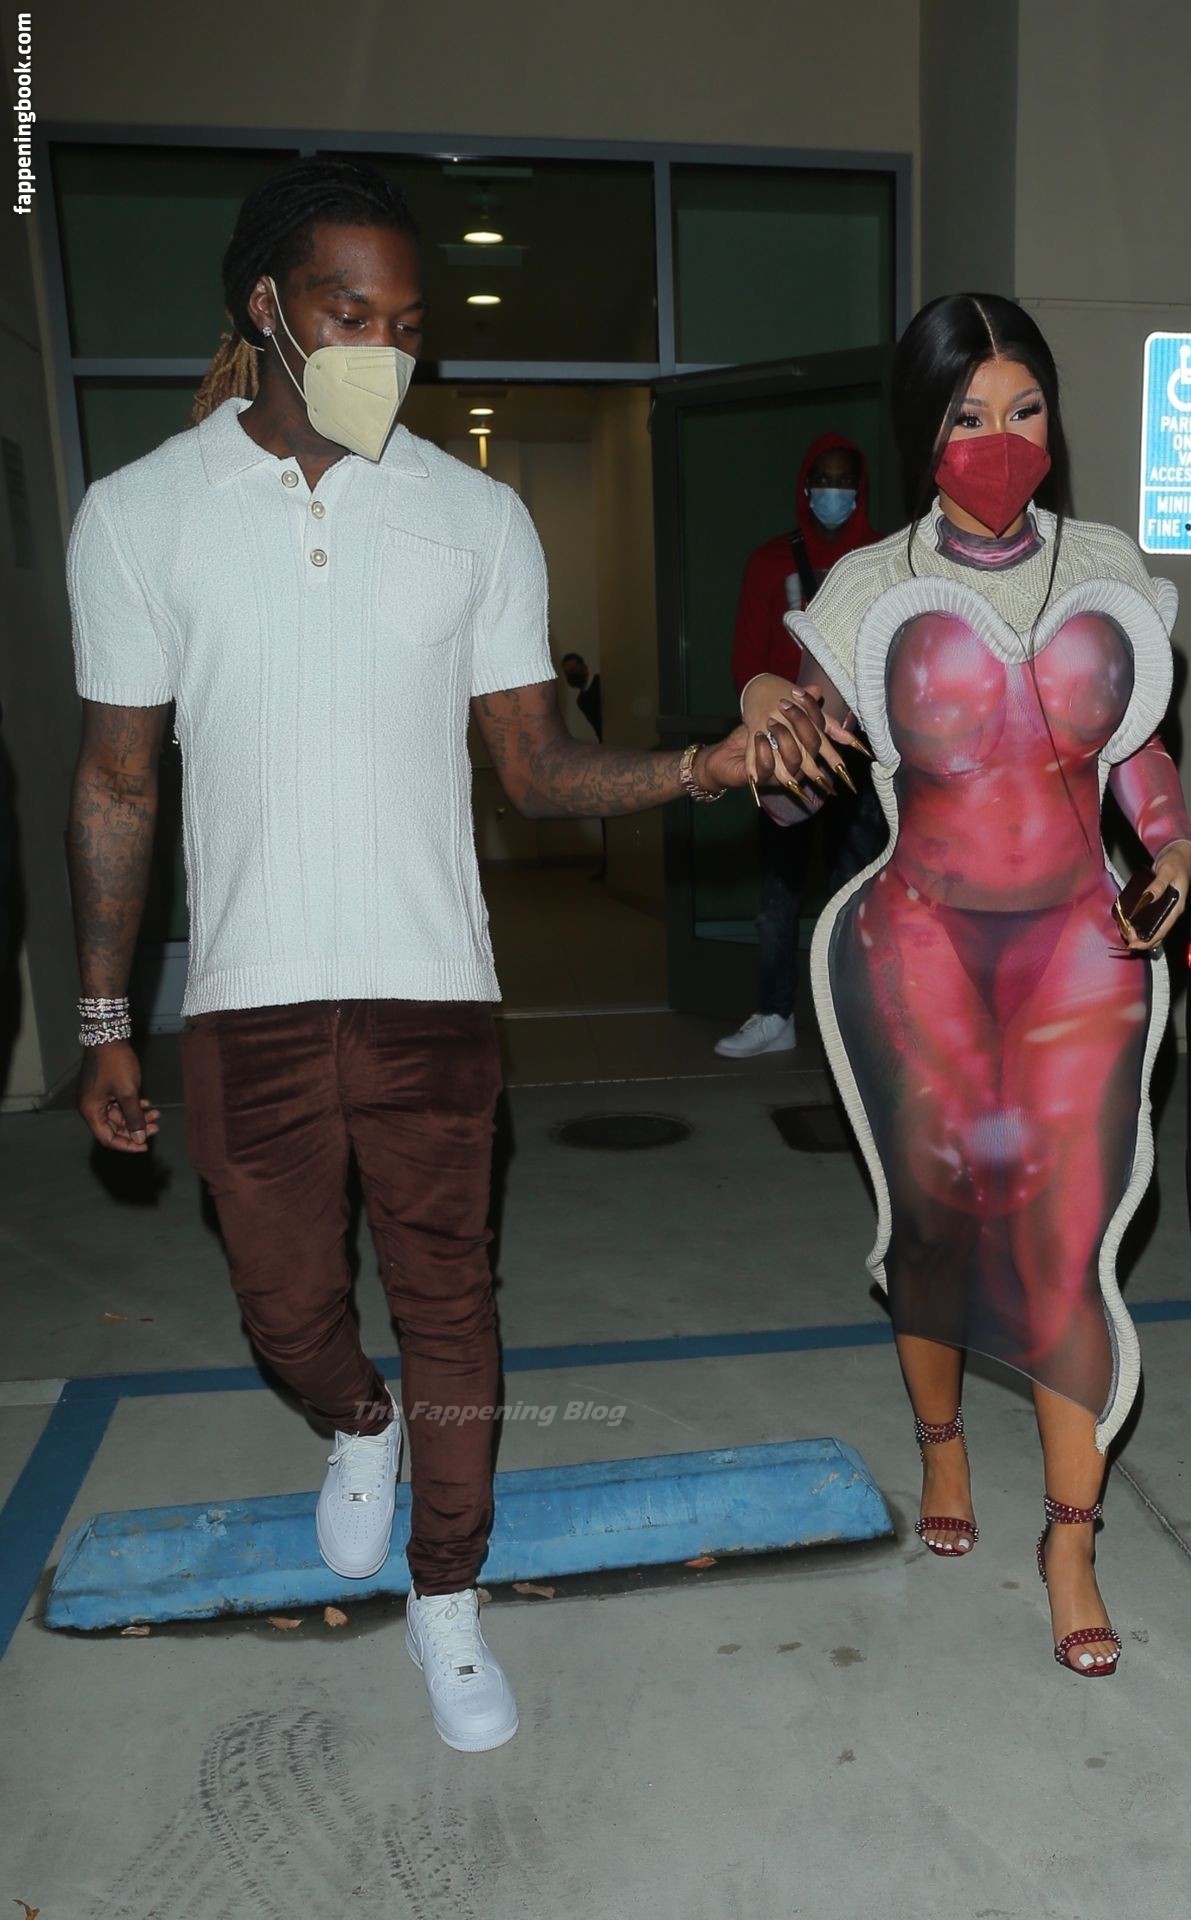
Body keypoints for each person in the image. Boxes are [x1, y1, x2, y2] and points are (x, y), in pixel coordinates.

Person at [64, 159, 756, 1754]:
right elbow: (117, 781)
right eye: (348, 314)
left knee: (453, 1300)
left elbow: (536, 767)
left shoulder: (474, 515)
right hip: (247, 998)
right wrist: (105, 1020)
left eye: (407, 321)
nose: (385, 346)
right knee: (285, 1307)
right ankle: (357, 1421)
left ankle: (448, 1593)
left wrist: (698, 766)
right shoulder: (141, 515)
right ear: (267, 309)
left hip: (435, 994)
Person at [743, 293, 1191, 1677]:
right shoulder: (865, 588)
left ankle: (1071, 1541)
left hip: (1080, 948)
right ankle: (941, 1448)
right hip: (918, 945)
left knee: (1069, 1247)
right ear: (920, 430)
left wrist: (1172, 847)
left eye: (1024, 408)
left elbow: (1137, 751)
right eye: (967, 414)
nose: (1001, 438)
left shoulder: (1105, 566)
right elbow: (790, 793)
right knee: (934, 1227)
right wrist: (766, 716)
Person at [716, 433, 886, 1059]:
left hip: (860, 752)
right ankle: (774, 1014)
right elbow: (747, 662)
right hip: (787, 752)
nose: (832, 491)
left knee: (860, 889)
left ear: (859, 489)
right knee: (778, 893)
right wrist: (775, 729)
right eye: (824, 479)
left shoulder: (881, 562)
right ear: (805, 486)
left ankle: (860, 1021)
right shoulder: (770, 563)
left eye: (844, 480)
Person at [559, 651, 603, 741]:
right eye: (567, 673)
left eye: (573, 669)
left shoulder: (601, 682)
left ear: (584, 667)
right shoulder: (581, 700)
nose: (571, 675)